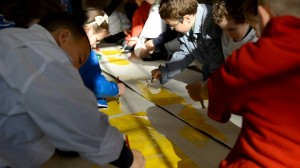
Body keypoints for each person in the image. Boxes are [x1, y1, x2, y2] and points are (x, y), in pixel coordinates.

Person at [0, 12, 145, 168]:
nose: (74, 70)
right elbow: (78, 117)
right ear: (64, 37)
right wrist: (126, 157)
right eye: (79, 58)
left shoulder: (11, 36)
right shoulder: (44, 59)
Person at [186, 0, 300, 167]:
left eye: (256, 27)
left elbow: (214, 92)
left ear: (263, 15)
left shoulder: (253, 58)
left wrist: (199, 90)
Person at [151, 0, 224, 84]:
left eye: (173, 26)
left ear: (187, 18)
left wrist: (210, 86)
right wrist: (165, 71)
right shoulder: (187, 25)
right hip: (210, 73)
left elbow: (218, 60)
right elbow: (185, 53)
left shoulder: (210, 25)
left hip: (224, 77)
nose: (172, 29)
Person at [78, 7, 126, 108]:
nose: (95, 45)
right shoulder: (86, 53)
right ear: (88, 30)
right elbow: (97, 85)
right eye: (97, 40)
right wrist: (116, 88)